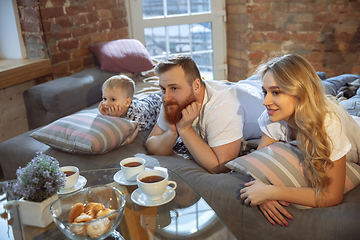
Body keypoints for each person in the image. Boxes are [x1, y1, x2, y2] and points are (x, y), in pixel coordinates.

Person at [240, 53, 360, 227]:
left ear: (299, 91)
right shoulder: (273, 117)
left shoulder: (327, 126)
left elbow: (331, 196)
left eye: (275, 92)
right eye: (265, 92)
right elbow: (257, 167)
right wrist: (262, 195)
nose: (266, 101)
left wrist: (272, 192)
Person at [145, 54, 265, 173]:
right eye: (163, 89)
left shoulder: (223, 107)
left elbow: (221, 167)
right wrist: (172, 132)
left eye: (174, 88)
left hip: (259, 91)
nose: (166, 97)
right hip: (243, 85)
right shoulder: (172, 101)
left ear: (196, 86)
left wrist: (185, 129)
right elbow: (151, 145)